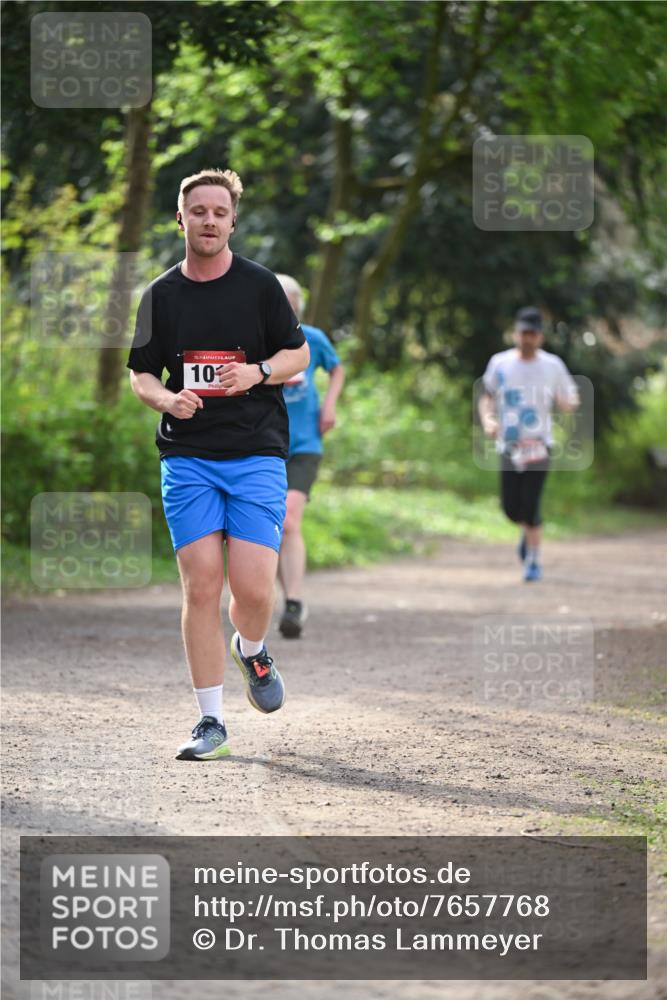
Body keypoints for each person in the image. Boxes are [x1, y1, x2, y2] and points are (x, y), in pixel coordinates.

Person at [126, 168, 310, 760]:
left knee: (254, 589)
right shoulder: (160, 295)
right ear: (180, 218)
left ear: (233, 220)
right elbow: (141, 373)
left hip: (256, 450)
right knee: (201, 584)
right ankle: (211, 722)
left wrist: (257, 371)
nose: (209, 220)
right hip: (188, 456)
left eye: (219, 212)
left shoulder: (260, 288)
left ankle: (252, 649)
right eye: (198, 211)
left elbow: (297, 352)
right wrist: (166, 398)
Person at [478, 306, 579, 582]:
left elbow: (569, 396)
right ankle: (525, 531)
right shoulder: (499, 362)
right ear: (515, 333)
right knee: (511, 508)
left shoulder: (552, 365)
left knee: (531, 504)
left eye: (533, 334)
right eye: (523, 333)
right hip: (509, 446)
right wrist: (488, 420)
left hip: (539, 444)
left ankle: (533, 560)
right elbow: (486, 396)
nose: (527, 338)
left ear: (540, 337)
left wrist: (568, 402)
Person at [274, 274, 345, 638]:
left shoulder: (312, 338)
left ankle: (295, 601)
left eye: (289, 301)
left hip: (304, 445)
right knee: (267, 527)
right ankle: (280, 596)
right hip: (264, 446)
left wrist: (329, 407)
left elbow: (338, 369)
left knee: (288, 521)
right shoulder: (258, 341)